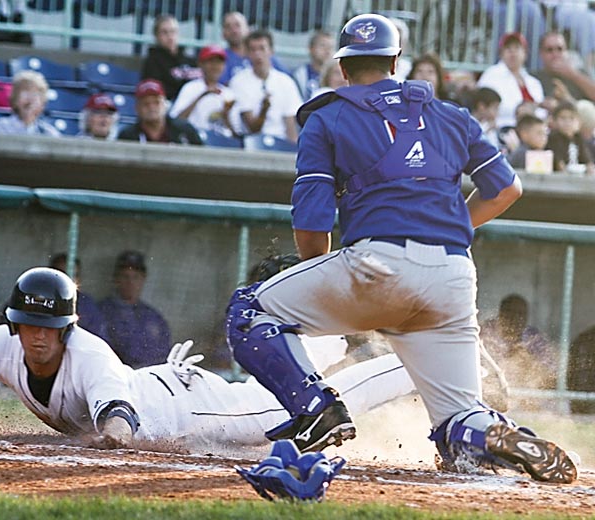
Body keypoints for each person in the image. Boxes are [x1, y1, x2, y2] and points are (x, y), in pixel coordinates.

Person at [224, 13, 576, 484]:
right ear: (396, 60)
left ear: (344, 68)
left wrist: (324, 278)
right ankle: (486, 431)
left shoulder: (327, 115)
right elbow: (507, 188)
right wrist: (451, 226)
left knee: (248, 309)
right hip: (453, 275)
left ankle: (318, 411)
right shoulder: (452, 114)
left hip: (376, 267)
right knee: (455, 425)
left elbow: (310, 225)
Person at [0, 267, 416, 452]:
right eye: (30, 326)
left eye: (51, 327)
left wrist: (91, 443)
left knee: (278, 419)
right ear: (16, 323)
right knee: (282, 424)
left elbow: (119, 426)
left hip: (186, 409)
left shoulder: (89, 354)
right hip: (166, 395)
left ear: (67, 326)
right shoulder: (2, 343)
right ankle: (343, 340)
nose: (38, 338)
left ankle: (414, 362)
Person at [99, 250, 171, 368]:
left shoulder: (153, 316)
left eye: (135, 277)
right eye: (125, 276)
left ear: (143, 279)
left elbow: (164, 355)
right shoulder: (103, 311)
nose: (130, 282)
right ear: (116, 279)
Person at [228, 30, 301, 143]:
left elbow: (290, 124)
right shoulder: (238, 81)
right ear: (247, 53)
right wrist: (264, 109)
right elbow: (252, 128)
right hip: (250, 143)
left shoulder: (286, 82)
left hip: (281, 142)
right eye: (253, 50)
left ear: (271, 51)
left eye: (262, 48)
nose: (258, 54)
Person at [480, 294, 555, 391]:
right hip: (491, 389)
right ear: (501, 313)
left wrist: (527, 359)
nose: (515, 317)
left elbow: (551, 372)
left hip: (524, 391)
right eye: (509, 312)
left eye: (520, 313)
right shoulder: (486, 331)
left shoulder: (533, 336)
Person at [477, 32, 544, 129]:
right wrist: (518, 111)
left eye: (517, 48)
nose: (513, 52)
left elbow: (541, 111)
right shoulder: (491, 75)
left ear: (525, 53)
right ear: (501, 53)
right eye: (508, 48)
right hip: (502, 129)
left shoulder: (534, 82)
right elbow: (485, 109)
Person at [169, 44, 236, 137]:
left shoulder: (229, 94)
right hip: (194, 140)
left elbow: (235, 134)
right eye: (211, 61)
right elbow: (176, 121)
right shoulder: (190, 87)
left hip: (221, 142)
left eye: (219, 62)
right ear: (201, 64)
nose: (215, 66)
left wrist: (226, 115)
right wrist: (202, 96)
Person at [117, 79, 202, 145]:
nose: (151, 107)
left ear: (165, 105)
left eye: (156, 102)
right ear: (137, 108)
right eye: (146, 104)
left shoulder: (185, 130)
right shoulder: (127, 136)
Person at [140, 14, 201, 101]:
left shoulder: (190, 60)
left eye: (173, 31)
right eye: (164, 32)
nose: (170, 36)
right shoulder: (152, 62)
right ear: (156, 36)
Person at [218, 11, 289, 85]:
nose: (234, 30)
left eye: (237, 25)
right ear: (223, 34)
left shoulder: (265, 56)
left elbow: (286, 80)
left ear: (247, 29)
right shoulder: (220, 59)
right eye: (228, 26)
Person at [48, 252, 106, 339]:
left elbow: (98, 338)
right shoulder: (41, 300)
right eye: (63, 274)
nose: (68, 279)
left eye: (74, 275)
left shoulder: (87, 305)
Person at [532, 31, 595, 104]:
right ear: (541, 54)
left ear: (566, 51)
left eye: (559, 49)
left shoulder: (580, 74)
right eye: (549, 50)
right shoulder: (534, 78)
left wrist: (572, 75)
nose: (555, 54)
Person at [0, 70, 60, 137]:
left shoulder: (49, 133)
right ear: (15, 99)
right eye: (25, 92)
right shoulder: (1, 126)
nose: (30, 99)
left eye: (35, 94)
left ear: (42, 104)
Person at [546, 101, 594, 174]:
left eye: (571, 118)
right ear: (554, 121)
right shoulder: (553, 138)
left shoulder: (579, 138)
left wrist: (590, 168)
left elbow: (586, 159)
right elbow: (558, 161)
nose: (567, 122)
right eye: (563, 118)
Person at [292, 31, 335, 101]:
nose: (327, 51)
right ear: (310, 48)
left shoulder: (338, 75)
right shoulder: (300, 74)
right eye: (323, 46)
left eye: (331, 47)